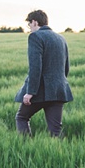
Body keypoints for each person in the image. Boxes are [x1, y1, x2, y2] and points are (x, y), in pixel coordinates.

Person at [14, 9, 73, 137]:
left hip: (40, 91)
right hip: (59, 90)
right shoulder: (61, 38)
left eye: (29, 24)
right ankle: (58, 154)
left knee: (22, 117)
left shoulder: (35, 37)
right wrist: (58, 84)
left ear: (35, 22)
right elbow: (66, 67)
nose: (29, 28)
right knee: (55, 131)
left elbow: (35, 67)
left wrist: (30, 92)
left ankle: (26, 147)